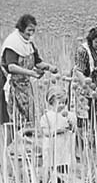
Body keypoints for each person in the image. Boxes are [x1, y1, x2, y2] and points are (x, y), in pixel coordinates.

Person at [0, 14, 57, 144]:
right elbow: (12, 66)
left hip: (26, 86)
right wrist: (30, 73)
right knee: (13, 119)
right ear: (21, 28)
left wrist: (49, 67)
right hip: (12, 85)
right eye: (29, 30)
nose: (31, 33)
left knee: (28, 117)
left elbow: (38, 62)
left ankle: (26, 147)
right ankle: (10, 147)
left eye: (33, 30)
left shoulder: (29, 43)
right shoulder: (12, 43)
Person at [40, 86, 77, 172]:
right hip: (52, 147)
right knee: (52, 168)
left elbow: (74, 130)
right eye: (60, 103)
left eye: (64, 103)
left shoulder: (69, 115)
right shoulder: (47, 116)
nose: (62, 105)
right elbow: (46, 133)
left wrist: (71, 125)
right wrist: (59, 131)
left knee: (64, 168)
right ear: (51, 102)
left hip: (65, 147)